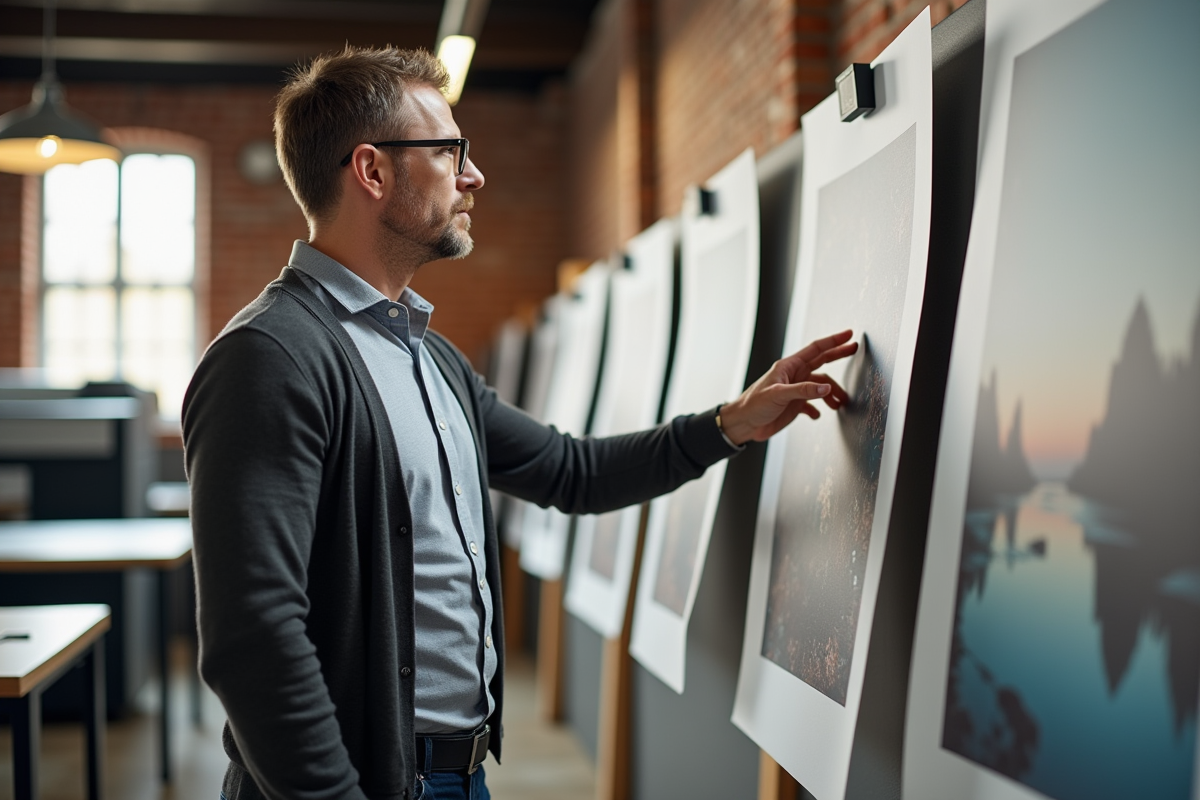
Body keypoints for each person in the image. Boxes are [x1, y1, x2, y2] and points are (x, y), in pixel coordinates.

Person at [182, 46, 857, 800]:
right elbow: (253, 638)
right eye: (448, 152)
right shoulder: (270, 358)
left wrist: (730, 422)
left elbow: (570, 472)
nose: (473, 175)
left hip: (459, 778)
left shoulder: (429, 360)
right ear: (371, 171)